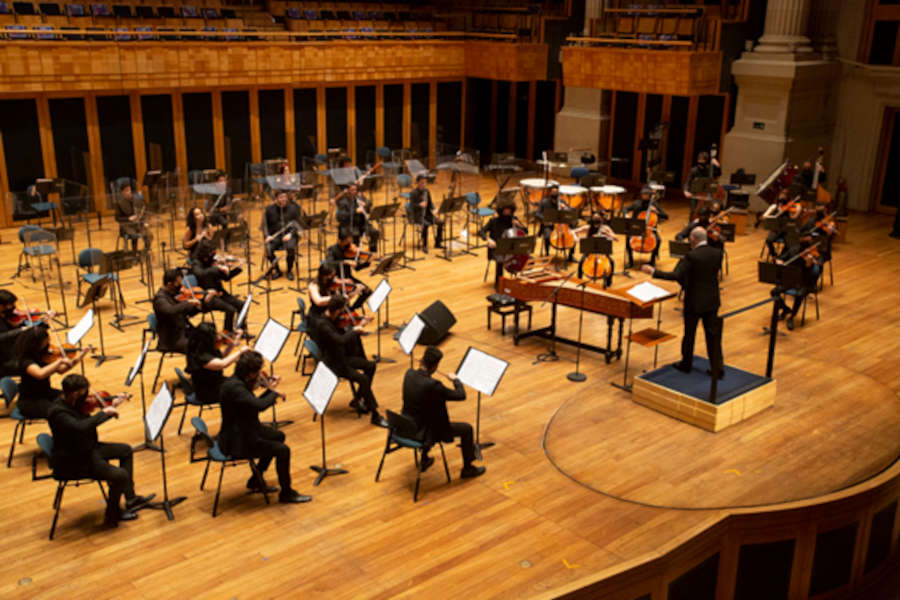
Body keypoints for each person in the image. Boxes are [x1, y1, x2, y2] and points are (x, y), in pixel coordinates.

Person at [47, 374, 154, 527]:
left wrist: (113, 406)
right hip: (74, 460)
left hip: (87, 448)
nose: (86, 397)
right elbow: (81, 427)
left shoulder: (73, 403)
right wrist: (104, 413)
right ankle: (112, 515)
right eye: (83, 393)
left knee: (125, 450)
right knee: (119, 475)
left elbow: (90, 421)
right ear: (74, 394)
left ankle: (131, 498)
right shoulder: (58, 413)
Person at [217, 351, 311, 503]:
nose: (261, 375)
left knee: (278, 436)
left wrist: (270, 389)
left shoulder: (236, 381)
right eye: (258, 372)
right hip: (237, 441)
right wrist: (274, 393)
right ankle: (286, 493)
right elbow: (259, 406)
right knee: (283, 450)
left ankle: (256, 479)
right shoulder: (236, 388)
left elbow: (252, 405)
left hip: (244, 429)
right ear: (250, 374)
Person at [642, 227, 723, 378]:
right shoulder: (717, 253)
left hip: (694, 301)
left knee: (690, 334)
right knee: (713, 335)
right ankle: (717, 368)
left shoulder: (691, 256)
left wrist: (654, 272)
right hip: (712, 300)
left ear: (692, 239)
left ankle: (686, 364)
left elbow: (676, 275)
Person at [401, 346, 485, 479]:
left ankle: (424, 459)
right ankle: (468, 469)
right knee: (467, 429)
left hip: (406, 425)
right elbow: (460, 395)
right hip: (425, 432)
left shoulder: (409, 373)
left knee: (426, 412)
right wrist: (456, 380)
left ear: (422, 360)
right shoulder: (434, 385)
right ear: (435, 365)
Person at [308, 296, 387, 427]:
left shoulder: (331, 319)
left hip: (341, 357)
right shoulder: (323, 325)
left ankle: (358, 399)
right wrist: (355, 330)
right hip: (334, 364)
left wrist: (360, 324)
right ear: (337, 310)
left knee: (371, 366)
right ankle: (375, 415)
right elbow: (340, 340)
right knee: (363, 379)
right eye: (342, 310)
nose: (343, 314)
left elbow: (344, 334)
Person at [15, 324, 91, 419]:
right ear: (36, 344)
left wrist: (80, 356)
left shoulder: (43, 355)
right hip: (31, 401)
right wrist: (60, 361)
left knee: (74, 399)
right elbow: (40, 374)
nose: (49, 342)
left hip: (46, 393)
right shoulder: (26, 360)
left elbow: (61, 370)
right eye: (46, 341)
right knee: (62, 412)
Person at [186, 322, 250, 406]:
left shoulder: (205, 348)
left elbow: (221, 356)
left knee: (239, 383)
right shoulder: (200, 356)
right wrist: (240, 352)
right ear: (207, 339)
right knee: (239, 390)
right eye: (214, 334)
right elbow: (222, 364)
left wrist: (235, 341)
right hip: (208, 392)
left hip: (215, 382)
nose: (217, 336)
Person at [192, 239, 245, 333]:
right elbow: (201, 274)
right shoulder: (196, 263)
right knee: (231, 309)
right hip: (206, 296)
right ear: (205, 253)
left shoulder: (212, 261)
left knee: (241, 305)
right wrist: (216, 268)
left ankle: (241, 330)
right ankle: (227, 332)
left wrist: (238, 268)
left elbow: (226, 278)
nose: (214, 255)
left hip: (219, 293)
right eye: (211, 253)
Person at [0, 290, 55, 378]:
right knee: (40, 364)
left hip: (16, 349)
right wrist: (19, 330)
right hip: (6, 359)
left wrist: (43, 323)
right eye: (10, 305)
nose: (13, 308)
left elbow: (28, 332)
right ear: (1, 306)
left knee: (38, 347)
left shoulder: (6, 315)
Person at [774, 234, 821, 331]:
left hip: (805, 282)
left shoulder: (812, 253)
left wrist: (809, 264)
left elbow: (817, 270)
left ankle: (791, 317)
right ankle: (785, 309)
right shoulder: (794, 250)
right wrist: (779, 261)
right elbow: (781, 257)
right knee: (774, 291)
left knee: (799, 295)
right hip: (792, 279)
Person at [152, 268, 203, 354]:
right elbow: (170, 311)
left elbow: (185, 312)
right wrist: (188, 302)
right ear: (169, 284)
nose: (181, 285)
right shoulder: (160, 299)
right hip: (172, 340)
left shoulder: (172, 294)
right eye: (178, 283)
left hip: (183, 331)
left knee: (207, 338)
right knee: (199, 348)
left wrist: (197, 307)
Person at [480, 201, 527, 289]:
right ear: (501, 211)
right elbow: (481, 232)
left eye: (509, 211)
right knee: (500, 259)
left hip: (511, 248)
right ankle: (499, 284)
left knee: (526, 258)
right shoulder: (493, 221)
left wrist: (519, 225)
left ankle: (519, 282)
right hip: (496, 249)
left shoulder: (514, 220)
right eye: (505, 211)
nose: (507, 213)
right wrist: (488, 239)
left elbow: (526, 231)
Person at [325, 229, 373, 311]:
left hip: (348, 278)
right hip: (337, 281)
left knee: (367, 291)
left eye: (350, 241)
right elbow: (329, 263)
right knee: (343, 301)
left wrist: (367, 263)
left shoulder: (349, 249)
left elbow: (357, 267)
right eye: (347, 241)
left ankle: (352, 309)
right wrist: (345, 261)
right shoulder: (332, 250)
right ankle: (346, 309)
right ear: (340, 240)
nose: (349, 244)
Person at [625, 186, 668, 269]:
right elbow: (625, 209)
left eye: (646, 195)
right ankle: (630, 261)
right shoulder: (637, 203)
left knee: (658, 240)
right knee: (628, 239)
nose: (644, 196)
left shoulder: (654, 205)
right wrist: (626, 214)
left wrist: (656, 212)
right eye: (643, 194)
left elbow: (666, 216)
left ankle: (652, 261)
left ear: (650, 196)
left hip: (650, 229)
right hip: (637, 228)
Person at [263, 190, 302, 280]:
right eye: (281, 197)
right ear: (276, 199)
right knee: (268, 249)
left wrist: (290, 234)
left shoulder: (293, 208)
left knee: (291, 248)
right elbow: (265, 226)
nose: (284, 199)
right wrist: (267, 236)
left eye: (285, 197)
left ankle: (289, 270)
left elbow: (297, 225)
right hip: (275, 237)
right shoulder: (269, 209)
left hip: (289, 236)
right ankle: (277, 270)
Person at [335, 182, 380, 253]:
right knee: (355, 235)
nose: (354, 192)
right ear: (347, 190)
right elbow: (340, 217)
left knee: (374, 232)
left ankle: (372, 252)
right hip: (349, 225)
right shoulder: (342, 201)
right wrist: (355, 211)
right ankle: (356, 255)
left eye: (355, 190)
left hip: (362, 223)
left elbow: (368, 209)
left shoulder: (359, 198)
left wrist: (366, 205)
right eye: (352, 190)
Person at [408, 174, 444, 252]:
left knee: (441, 222)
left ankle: (438, 243)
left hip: (427, 214)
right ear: (417, 183)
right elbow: (411, 207)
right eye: (422, 183)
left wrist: (434, 209)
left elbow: (430, 203)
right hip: (418, 216)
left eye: (425, 183)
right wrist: (419, 205)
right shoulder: (413, 193)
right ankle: (424, 245)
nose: (424, 184)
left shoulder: (426, 191)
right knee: (426, 225)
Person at [114, 181, 151, 252]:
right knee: (134, 235)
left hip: (138, 224)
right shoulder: (119, 203)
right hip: (126, 226)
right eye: (127, 190)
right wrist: (128, 218)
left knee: (149, 235)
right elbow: (117, 218)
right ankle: (134, 253)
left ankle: (145, 252)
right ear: (122, 192)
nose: (129, 192)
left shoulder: (137, 200)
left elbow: (144, 213)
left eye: (130, 190)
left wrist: (145, 222)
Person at [684, 150, 721, 220]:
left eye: (702, 162)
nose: (700, 164)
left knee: (709, 210)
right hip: (695, 194)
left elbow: (718, 174)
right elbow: (688, 182)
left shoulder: (709, 169)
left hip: (706, 194)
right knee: (693, 210)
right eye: (699, 161)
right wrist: (686, 191)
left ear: (706, 162)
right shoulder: (694, 170)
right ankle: (691, 223)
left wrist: (718, 166)